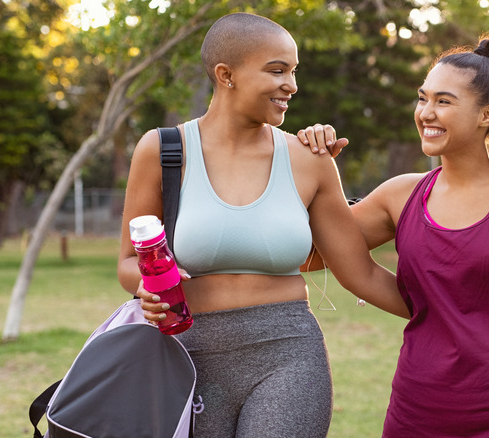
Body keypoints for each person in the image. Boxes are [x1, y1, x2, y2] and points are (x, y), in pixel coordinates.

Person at [117, 12, 409, 438]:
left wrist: (450, 314)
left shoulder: (310, 159)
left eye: (293, 71)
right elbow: (128, 262)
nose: (291, 84)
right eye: (277, 71)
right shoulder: (162, 151)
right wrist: (146, 287)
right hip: (187, 355)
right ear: (226, 74)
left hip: (289, 355)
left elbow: (360, 272)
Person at [298, 35, 489, 436]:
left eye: (444, 101)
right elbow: (310, 256)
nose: (426, 112)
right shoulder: (399, 195)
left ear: (486, 114)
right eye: (423, 98)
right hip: (418, 412)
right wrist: (314, 173)